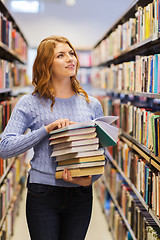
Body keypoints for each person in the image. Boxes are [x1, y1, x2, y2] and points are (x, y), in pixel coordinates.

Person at [0, 35, 104, 240]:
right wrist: (46, 130)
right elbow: (4, 147)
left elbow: (102, 154)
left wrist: (89, 179)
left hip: (81, 194)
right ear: (46, 63)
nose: (70, 59)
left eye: (71, 53)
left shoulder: (92, 104)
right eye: (61, 55)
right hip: (43, 193)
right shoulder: (29, 103)